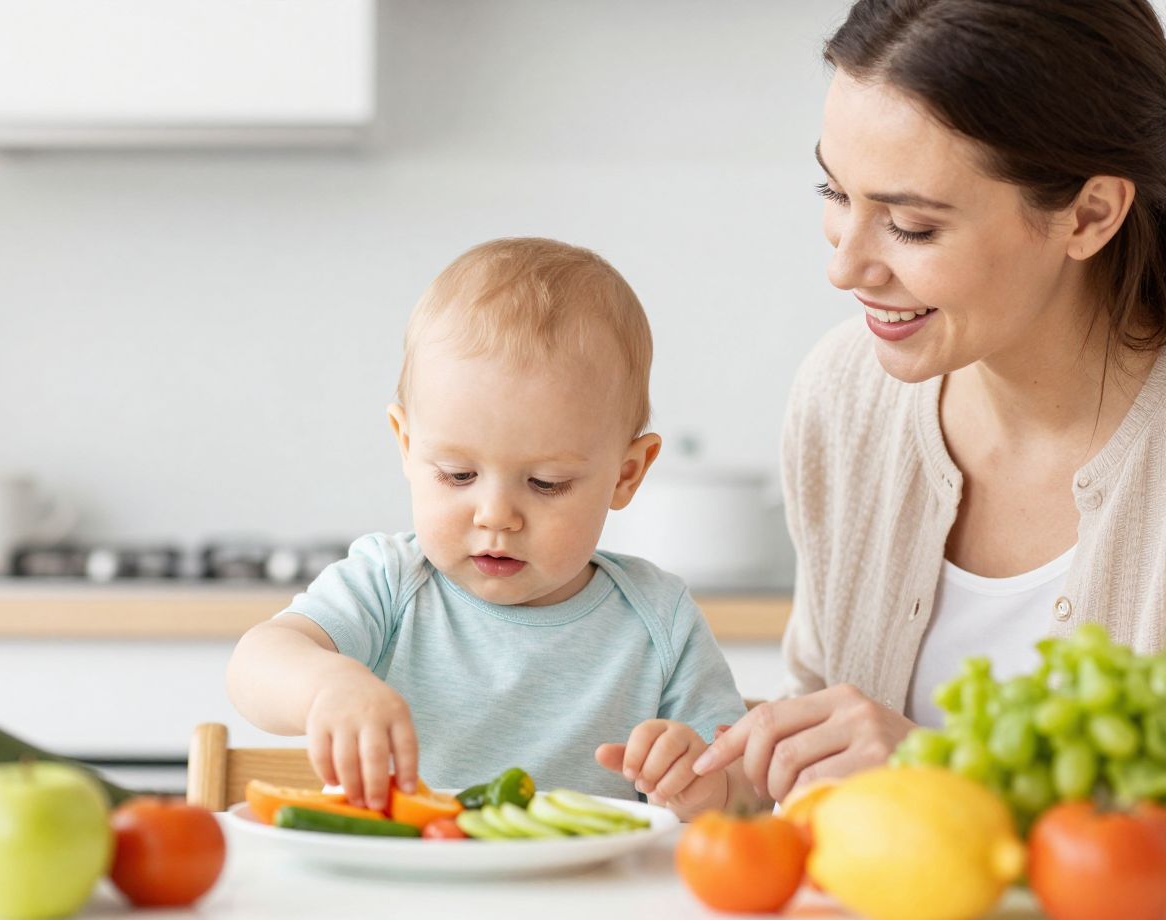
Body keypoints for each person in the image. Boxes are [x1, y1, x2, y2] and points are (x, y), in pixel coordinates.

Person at [692, 0, 1166, 804]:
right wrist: (739, 769)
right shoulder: (845, 398)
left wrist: (950, 771)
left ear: (1089, 215)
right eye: (834, 192)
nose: (845, 268)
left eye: (910, 225)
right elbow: (819, 733)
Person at [226, 237, 755, 817]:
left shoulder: (660, 618)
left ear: (627, 474)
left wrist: (701, 782)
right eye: (458, 475)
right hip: (397, 892)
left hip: (589, 901)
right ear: (407, 445)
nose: (496, 515)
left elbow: (744, 794)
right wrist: (325, 687)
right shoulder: (389, 585)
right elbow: (255, 665)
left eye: (547, 483)